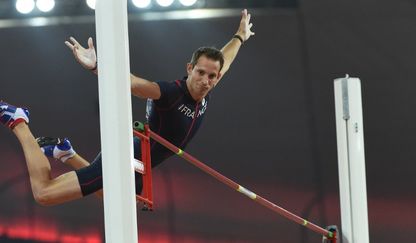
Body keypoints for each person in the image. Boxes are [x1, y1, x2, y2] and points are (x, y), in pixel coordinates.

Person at [0, 9, 254, 206]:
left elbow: (225, 59)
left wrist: (240, 36)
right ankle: (18, 122)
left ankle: (66, 154)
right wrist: (97, 67)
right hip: (124, 159)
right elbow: (132, 84)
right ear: (189, 69)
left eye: (212, 76)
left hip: (138, 164)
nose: (205, 80)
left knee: (126, 202)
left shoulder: (207, 86)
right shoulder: (171, 93)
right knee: (44, 194)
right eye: (200, 73)